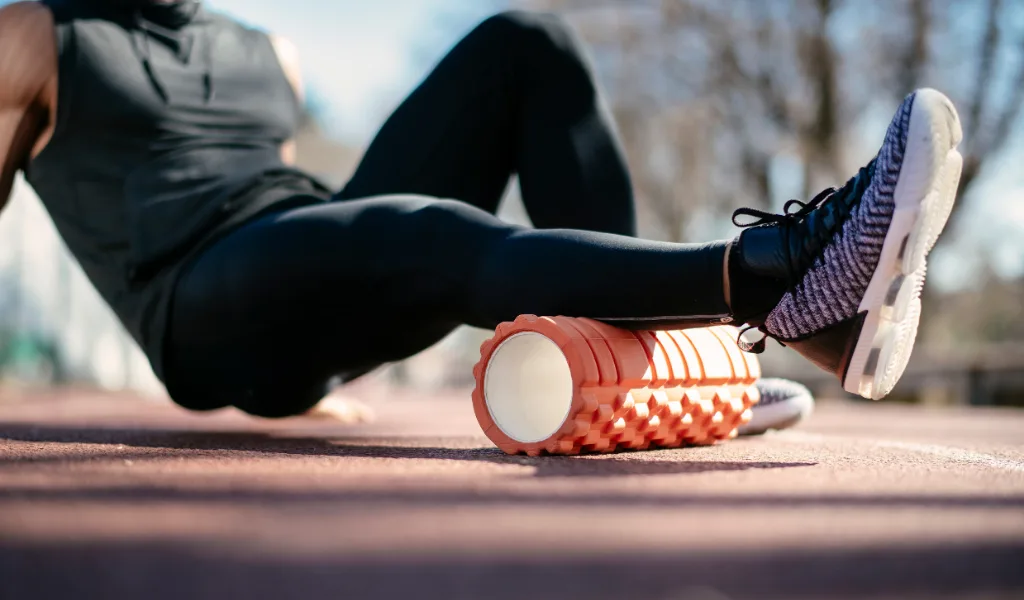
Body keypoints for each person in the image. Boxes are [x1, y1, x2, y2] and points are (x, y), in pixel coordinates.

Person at [0, 0, 962, 420]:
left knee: (525, 43)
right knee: (419, 230)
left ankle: (663, 366)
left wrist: (318, 364)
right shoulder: (36, 35)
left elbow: (303, 222)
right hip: (196, 302)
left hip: (302, 261)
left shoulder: (267, 52)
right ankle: (775, 276)